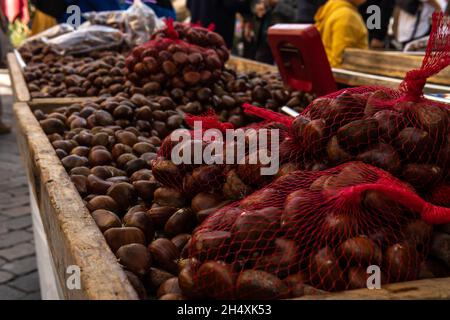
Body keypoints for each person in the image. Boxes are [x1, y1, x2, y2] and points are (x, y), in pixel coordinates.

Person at [315, 0, 368, 68]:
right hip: (340, 75)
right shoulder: (346, 16)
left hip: (326, 69)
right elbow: (340, 61)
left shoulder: (332, 7)